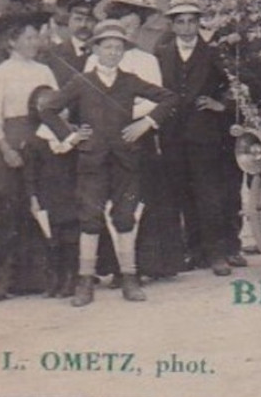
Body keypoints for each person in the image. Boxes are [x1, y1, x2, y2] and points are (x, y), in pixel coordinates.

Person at [40, 19, 177, 306]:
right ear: (96, 49)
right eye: (108, 47)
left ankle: (129, 278)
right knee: (90, 219)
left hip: (126, 160)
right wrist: (72, 135)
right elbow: (49, 109)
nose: (113, 52)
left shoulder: (129, 80)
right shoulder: (82, 80)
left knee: (126, 217)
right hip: (92, 161)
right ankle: (85, 282)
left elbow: (168, 98)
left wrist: (146, 123)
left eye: (118, 48)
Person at [0, 5, 60, 299]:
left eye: (36, 37)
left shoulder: (45, 70)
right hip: (10, 145)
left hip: (40, 143)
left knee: (38, 207)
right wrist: (6, 149)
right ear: (11, 41)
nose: (33, 42)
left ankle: (36, 279)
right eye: (27, 37)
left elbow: (54, 108)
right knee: (7, 209)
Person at [155, 0, 240, 277]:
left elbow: (236, 86)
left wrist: (221, 105)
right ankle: (195, 251)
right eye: (181, 22)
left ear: (199, 23)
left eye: (193, 21)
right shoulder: (162, 54)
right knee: (183, 192)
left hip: (204, 134)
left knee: (209, 193)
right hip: (171, 134)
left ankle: (218, 253)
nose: (188, 27)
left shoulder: (213, 52)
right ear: (173, 25)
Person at [24, 85, 82, 298]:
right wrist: (33, 198)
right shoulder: (35, 140)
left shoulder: (74, 137)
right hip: (48, 195)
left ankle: (71, 279)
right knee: (52, 239)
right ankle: (55, 280)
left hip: (71, 193)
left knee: (71, 239)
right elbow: (30, 173)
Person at [44, 0, 100, 85]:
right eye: (78, 19)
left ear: (97, 22)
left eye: (89, 20)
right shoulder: (52, 55)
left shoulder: (104, 54)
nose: (83, 25)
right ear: (68, 20)